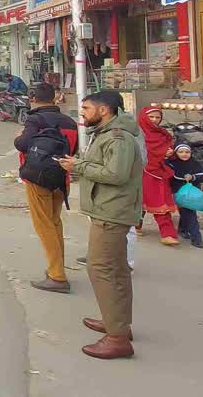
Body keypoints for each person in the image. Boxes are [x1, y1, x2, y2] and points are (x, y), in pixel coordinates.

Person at [56, 91, 141, 360]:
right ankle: (117, 323)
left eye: (86, 108)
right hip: (109, 208)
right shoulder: (106, 134)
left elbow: (116, 174)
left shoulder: (118, 137)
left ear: (104, 110)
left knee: (101, 268)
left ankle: (116, 338)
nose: (82, 112)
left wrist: (78, 167)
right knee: (116, 269)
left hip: (112, 210)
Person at [13, 82, 79, 293]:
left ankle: (58, 276)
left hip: (39, 178)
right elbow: (74, 149)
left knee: (44, 225)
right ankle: (56, 269)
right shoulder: (69, 121)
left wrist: (17, 138)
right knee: (54, 222)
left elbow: (23, 144)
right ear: (55, 98)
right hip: (62, 178)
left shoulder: (35, 119)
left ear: (33, 98)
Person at [137, 106, 180, 246]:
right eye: (151, 117)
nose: (155, 120)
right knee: (142, 200)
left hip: (158, 171)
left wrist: (169, 152)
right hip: (141, 170)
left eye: (158, 117)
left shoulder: (162, 133)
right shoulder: (137, 133)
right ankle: (138, 226)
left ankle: (166, 233)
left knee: (158, 200)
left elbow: (170, 149)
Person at [167, 143, 203, 248]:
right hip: (178, 194)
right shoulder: (171, 163)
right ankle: (196, 239)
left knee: (188, 213)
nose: (184, 154)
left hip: (190, 195)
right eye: (181, 152)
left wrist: (193, 177)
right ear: (176, 153)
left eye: (187, 152)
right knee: (190, 214)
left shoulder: (194, 163)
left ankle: (184, 230)